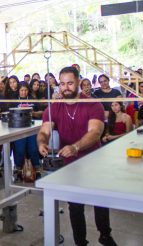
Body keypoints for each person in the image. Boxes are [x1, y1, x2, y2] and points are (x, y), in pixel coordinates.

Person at [37, 67, 116, 246]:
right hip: (70, 164)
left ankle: (105, 235)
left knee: (100, 200)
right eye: (62, 84)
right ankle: (80, 242)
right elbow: (44, 131)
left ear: (79, 83)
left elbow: (95, 132)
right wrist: (41, 143)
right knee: (75, 205)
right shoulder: (54, 107)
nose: (66, 88)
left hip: (93, 160)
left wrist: (75, 146)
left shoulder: (93, 105)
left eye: (70, 83)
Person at [11, 82, 41, 180]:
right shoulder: (14, 101)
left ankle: (37, 169)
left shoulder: (33, 100)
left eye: (25, 90)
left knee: (33, 149)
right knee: (19, 150)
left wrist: (34, 113)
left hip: (31, 129)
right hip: (18, 130)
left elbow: (41, 112)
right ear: (18, 91)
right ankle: (18, 170)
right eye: (21, 90)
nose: (23, 92)